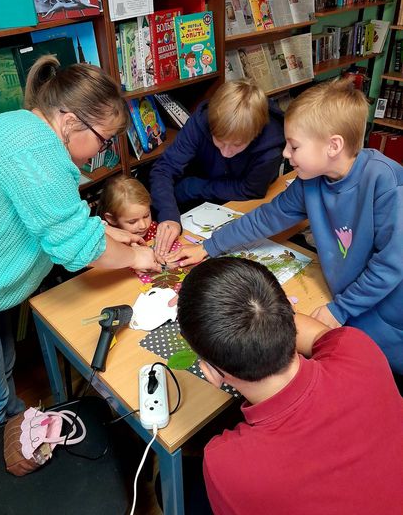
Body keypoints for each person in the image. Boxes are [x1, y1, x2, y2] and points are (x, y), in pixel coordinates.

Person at [0, 55, 160, 431]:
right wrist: (136, 256)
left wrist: (104, 230)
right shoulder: (39, 152)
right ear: (69, 121)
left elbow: (47, 216)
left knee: (3, 372)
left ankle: (16, 431)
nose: (101, 151)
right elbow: (78, 248)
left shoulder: (20, 124)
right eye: (103, 140)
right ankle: (3, 452)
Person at [169, 79, 403, 374]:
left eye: (294, 146)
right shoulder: (311, 181)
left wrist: (341, 308)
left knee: (377, 378)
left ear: (333, 146)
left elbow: (391, 265)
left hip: (388, 318)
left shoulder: (386, 183)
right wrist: (209, 245)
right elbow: (267, 217)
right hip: (347, 303)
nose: (285, 154)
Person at [177, 257, 403, 515]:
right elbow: (315, 333)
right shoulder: (357, 349)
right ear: (290, 313)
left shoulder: (225, 462)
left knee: (179, 486)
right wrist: (267, 316)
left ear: (211, 372)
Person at [150, 79, 285, 255]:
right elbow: (164, 168)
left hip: (239, 202)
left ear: (255, 135)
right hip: (197, 201)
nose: (226, 153)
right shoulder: (202, 120)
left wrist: (194, 187)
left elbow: (252, 189)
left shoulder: (272, 147)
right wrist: (168, 215)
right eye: (219, 141)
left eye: (237, 145)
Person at [98, 174, 178, 251]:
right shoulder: (108, 244)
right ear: (112, 219)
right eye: (132, 221)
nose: (143, 226)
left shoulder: (153, 229)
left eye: (146, 216)